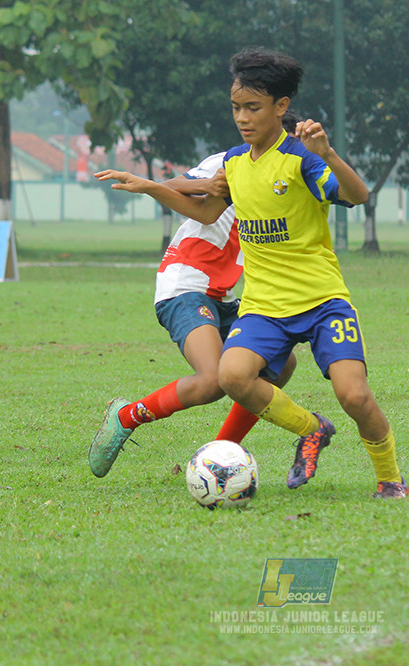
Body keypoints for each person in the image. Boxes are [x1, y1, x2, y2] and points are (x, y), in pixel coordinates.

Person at [95, 47, 409, 499]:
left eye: (253, 108)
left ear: (281, 107)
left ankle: (390, 479)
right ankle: (311, 429)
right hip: (259, 306)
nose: (242, 117)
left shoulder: (302, 158)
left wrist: (330, 154)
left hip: (322, 301)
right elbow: (201, 209)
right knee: (231, 377)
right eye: (236, 107)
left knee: (354, 396)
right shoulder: (235, 164)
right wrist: (148, 187)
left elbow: (356, 196)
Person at [87, 115, 301, 478]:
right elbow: (176, 185)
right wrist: (208, 184)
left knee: (280, 364)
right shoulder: (229, 162)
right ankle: (126, 416)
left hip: (225, 294)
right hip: (185, 283)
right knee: (212, 380)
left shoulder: (288, 184)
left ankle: (220, 454)